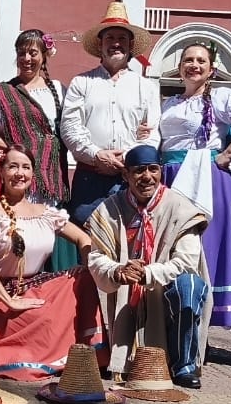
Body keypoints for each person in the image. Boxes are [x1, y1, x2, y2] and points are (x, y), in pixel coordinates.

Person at [0, 146, 103, 381]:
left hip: (37, 286)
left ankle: (85, 354)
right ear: (1, 172)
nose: (19, 173)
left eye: (25, 167)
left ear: (33, 174)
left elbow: (84, 238)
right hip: (3, 296)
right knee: (42, 317)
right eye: (12, 166)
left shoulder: (45, 213)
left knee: (83, 278)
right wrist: (8, 299)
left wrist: (86, 263)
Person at [159, 41, 231, 331]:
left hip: (205, 178)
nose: (194, 65)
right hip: (170, 177)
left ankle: (203, 321)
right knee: (174, 248)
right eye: (188, 60)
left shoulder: (221, 97)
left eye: (201, 61)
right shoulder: (169, 103)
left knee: (205, 247)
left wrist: (228, 154)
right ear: (179, 68)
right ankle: (176, 317)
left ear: (211, 69)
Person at [87, 145, 212, 389]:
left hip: (163, 290)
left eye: (153, 169)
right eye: (139, 171)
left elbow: (187, 262)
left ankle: (182, 364)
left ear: (161, 172)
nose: (147, 177)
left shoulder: (181, 208)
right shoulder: (110, 209)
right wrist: (117, 271)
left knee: (189, 285)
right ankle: (112, 354)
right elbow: (96, 257)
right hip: (122, 293)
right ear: (126, 176)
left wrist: (148, 274)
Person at [61, 1, 160, 226]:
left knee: (129, 241)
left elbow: (153, 135)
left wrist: (126, 158)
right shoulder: (82, 83)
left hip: (131, 180)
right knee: (87, 240)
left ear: (130, 45)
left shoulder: (146, 87)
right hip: (90, 178)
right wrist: (96, 154)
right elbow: (70, 127)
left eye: (122, 39)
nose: (116, 43)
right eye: (110, 38)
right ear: (101, 43)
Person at [0, 29, 68, 205]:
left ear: (44, 56)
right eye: (22, 53)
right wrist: (17, 149)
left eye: (33, 53)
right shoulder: (3, 92)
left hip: (52, 173)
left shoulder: (58, 90)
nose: (26, 59)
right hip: (19, 172)